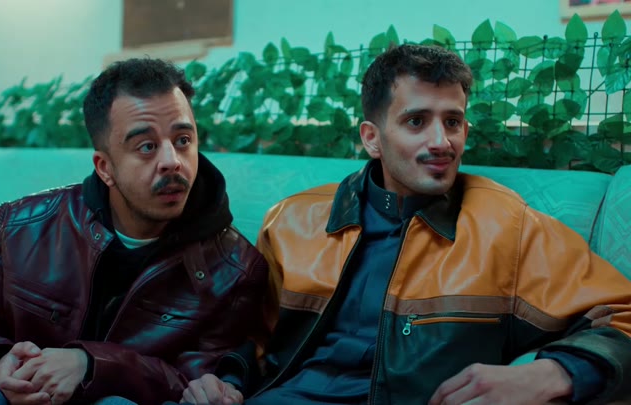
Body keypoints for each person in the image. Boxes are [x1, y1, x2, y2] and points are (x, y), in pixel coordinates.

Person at [179, 44, 631, 405]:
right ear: (372, 138)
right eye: (416, 121)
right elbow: (252, 336)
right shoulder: (293, 219)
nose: (441, 141)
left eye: (452, 122)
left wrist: (550, 374)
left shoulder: (505, 223)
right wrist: (223, 380)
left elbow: (622, 315)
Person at [0, 58, 269, 405]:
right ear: (104, 167)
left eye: (183, 140)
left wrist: (93, 365)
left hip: (127, 400)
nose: (172, 161)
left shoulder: (236, 268)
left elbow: (195, 381)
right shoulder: (18, 225)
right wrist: (1, 362)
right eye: (147, 146)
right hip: (24, 400)